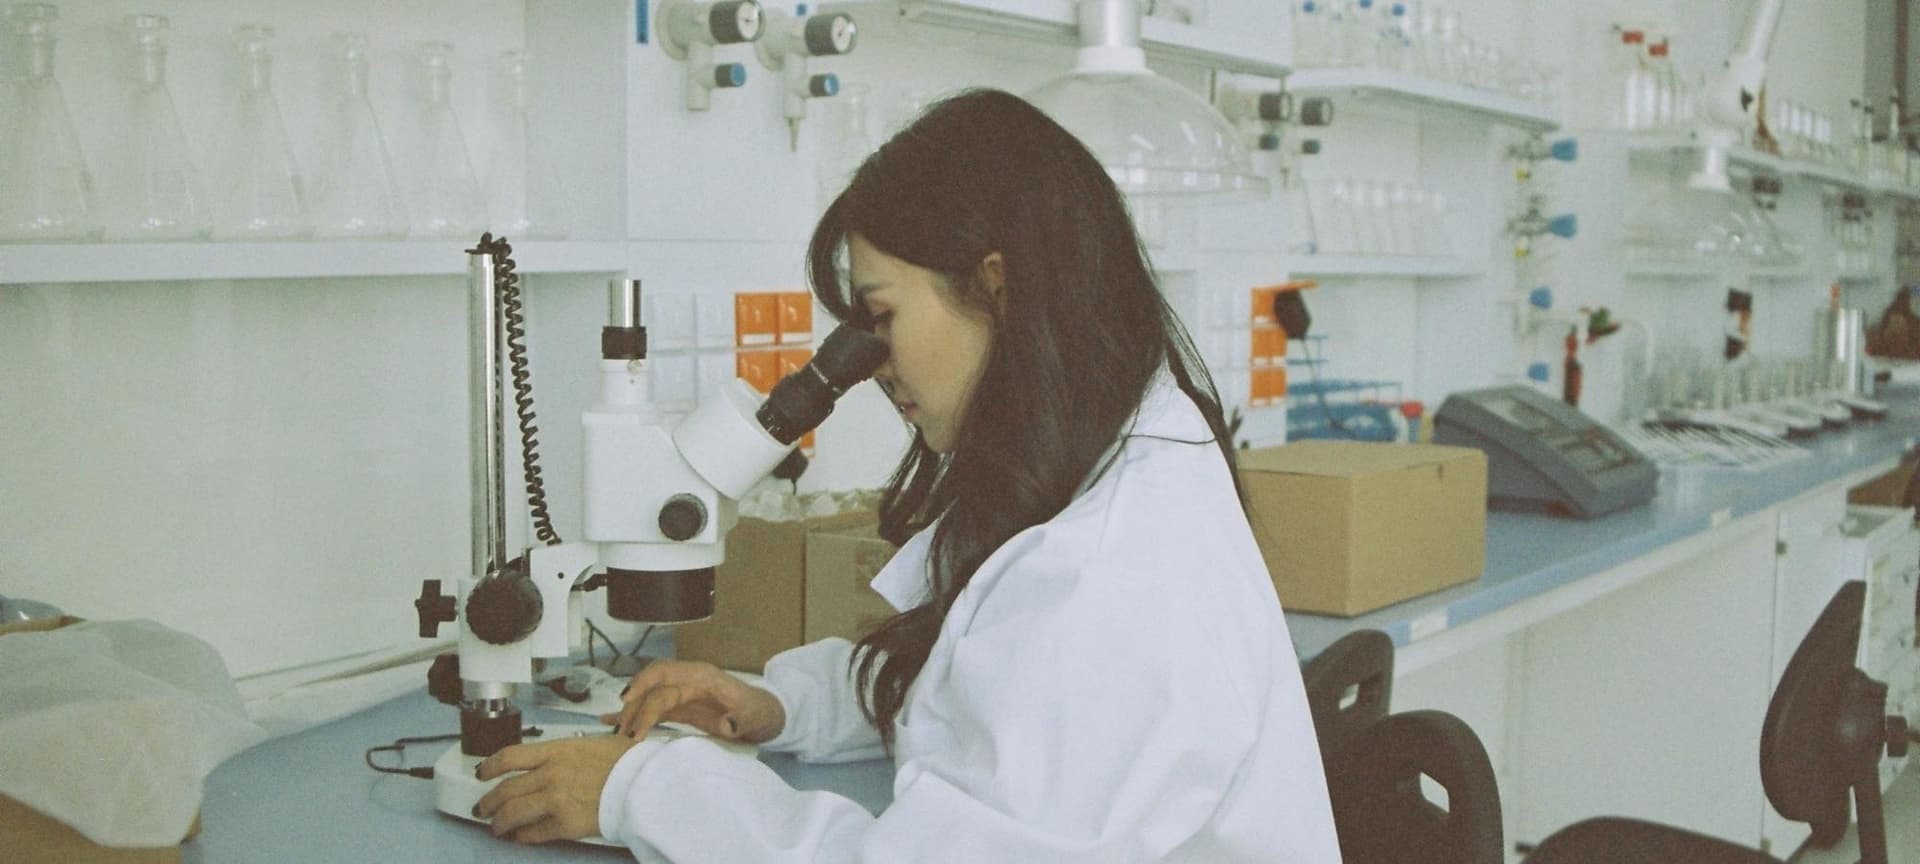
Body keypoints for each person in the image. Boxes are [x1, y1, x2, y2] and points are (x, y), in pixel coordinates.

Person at [471, 88, 1342, 862]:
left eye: (881, 314)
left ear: (996, 289)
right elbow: (983, 694)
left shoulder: (1107, 576)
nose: (872, 365)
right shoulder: (1116, 450)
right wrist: (779, 705)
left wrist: (644, 790)